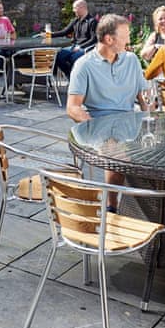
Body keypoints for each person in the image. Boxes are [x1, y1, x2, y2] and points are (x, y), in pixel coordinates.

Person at [67, 14, 151, 211]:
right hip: (99, 124)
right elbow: (73, 107)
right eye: (125, 35)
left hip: (129, 123)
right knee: (116, 153)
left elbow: (144, 97)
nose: (129, 39)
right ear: (109, 39)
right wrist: (94, 126)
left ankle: (148, 209)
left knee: (156, 150)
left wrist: (152, 116)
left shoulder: (132, 60)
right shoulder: (84, 65)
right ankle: (111, 206)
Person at [50, 0, 97, 77]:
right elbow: (65, 32)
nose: (73, 10)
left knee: (73, 58)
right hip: (74, 47)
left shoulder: (92, 22)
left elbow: (94, 39)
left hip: (85, 49)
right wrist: (50, 34)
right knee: (57, 55)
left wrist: (80, 47)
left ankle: (76, 77)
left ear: (82, 8)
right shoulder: (75, 20)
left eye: (75, 8)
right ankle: (70, 76)